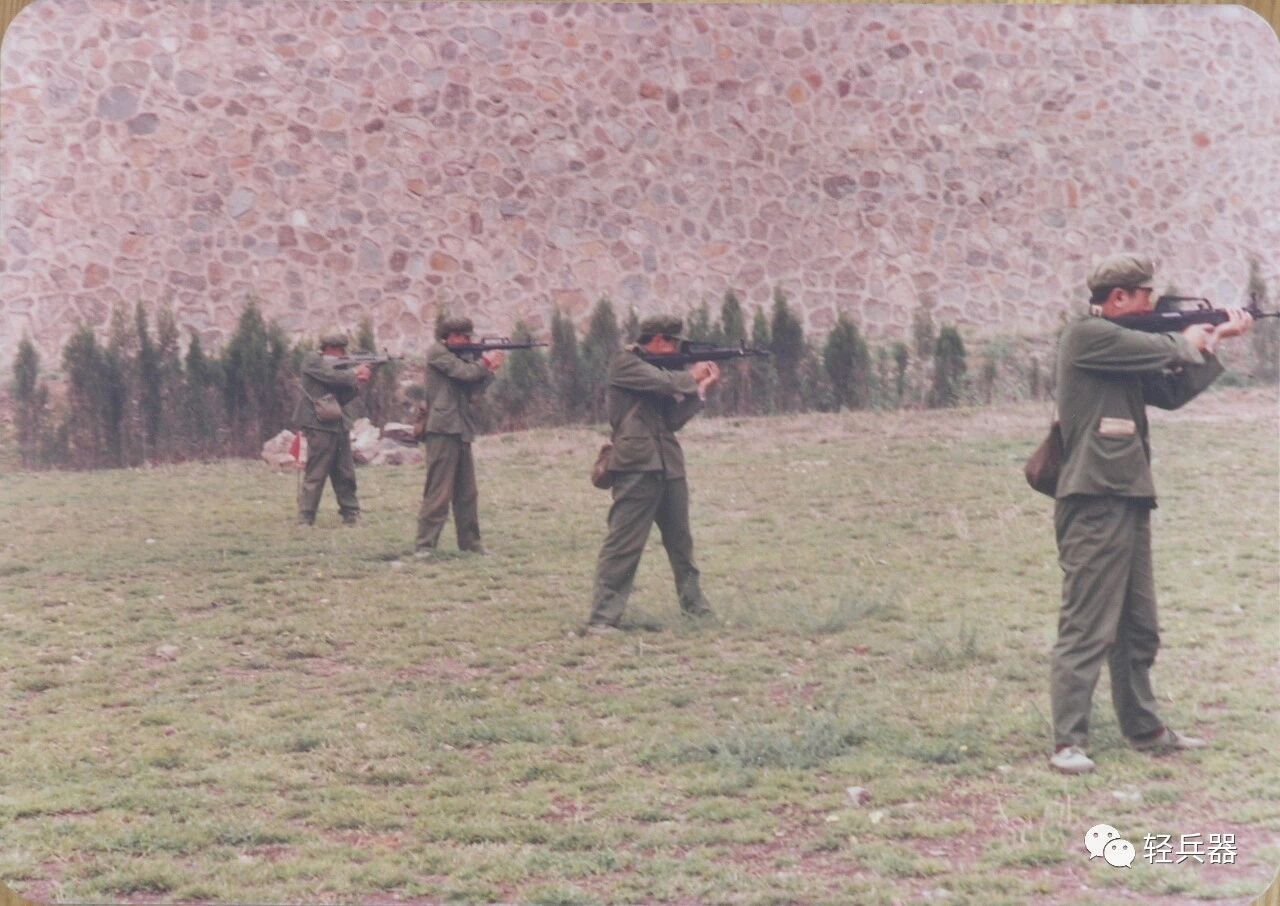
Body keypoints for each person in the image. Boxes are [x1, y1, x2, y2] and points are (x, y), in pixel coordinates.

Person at [1047, 253, 1252, 775]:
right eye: (1145, 296)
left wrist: (1212, 343)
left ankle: (1145, 729)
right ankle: (1068, 741)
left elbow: (1170, 392)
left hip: (1128, 493)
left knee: (1138, 626)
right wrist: (1191, 339)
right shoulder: (1088, 336)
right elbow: (1164, 347)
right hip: (1094, 498)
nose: (1152, 305)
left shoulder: (1123, 347)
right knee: (1087, 625)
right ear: (1118, 298)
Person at [586, 315, 722, 632]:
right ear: (659, 340)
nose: (677, 351)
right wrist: (691, 375)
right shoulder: (626, 363)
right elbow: (666, 383)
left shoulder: (657, 371)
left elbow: (670, 420)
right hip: (635, 466)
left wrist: (699, 391)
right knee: (623, 545)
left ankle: (696, 610)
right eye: (674, 343)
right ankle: (603, 619)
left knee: (681, 546)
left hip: (667, 464)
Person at [414, 316, 505, 557]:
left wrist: (489, 371)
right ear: (451, 336)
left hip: (461, 428)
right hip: (442, 429)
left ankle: (471, 544)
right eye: (464, 337)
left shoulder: (460, 358)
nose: (467, 341)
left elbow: (473, 391)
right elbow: (463, 374)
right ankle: (425, 545)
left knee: (467, 493)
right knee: (439, 492)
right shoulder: (438, 353)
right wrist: (484, 362)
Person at [293, 329, 371, 525]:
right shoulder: (313, 360)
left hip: (338, 423)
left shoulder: (340, 368)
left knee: (345, 472)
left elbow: (344, 396)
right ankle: (306, 516)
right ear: (329, 348)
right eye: (340, 350)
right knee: (316, 472)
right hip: (318, 424)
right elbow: (331, 377)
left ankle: (350, 512)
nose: (344, 354)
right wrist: (355, 371)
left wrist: (359, 382)